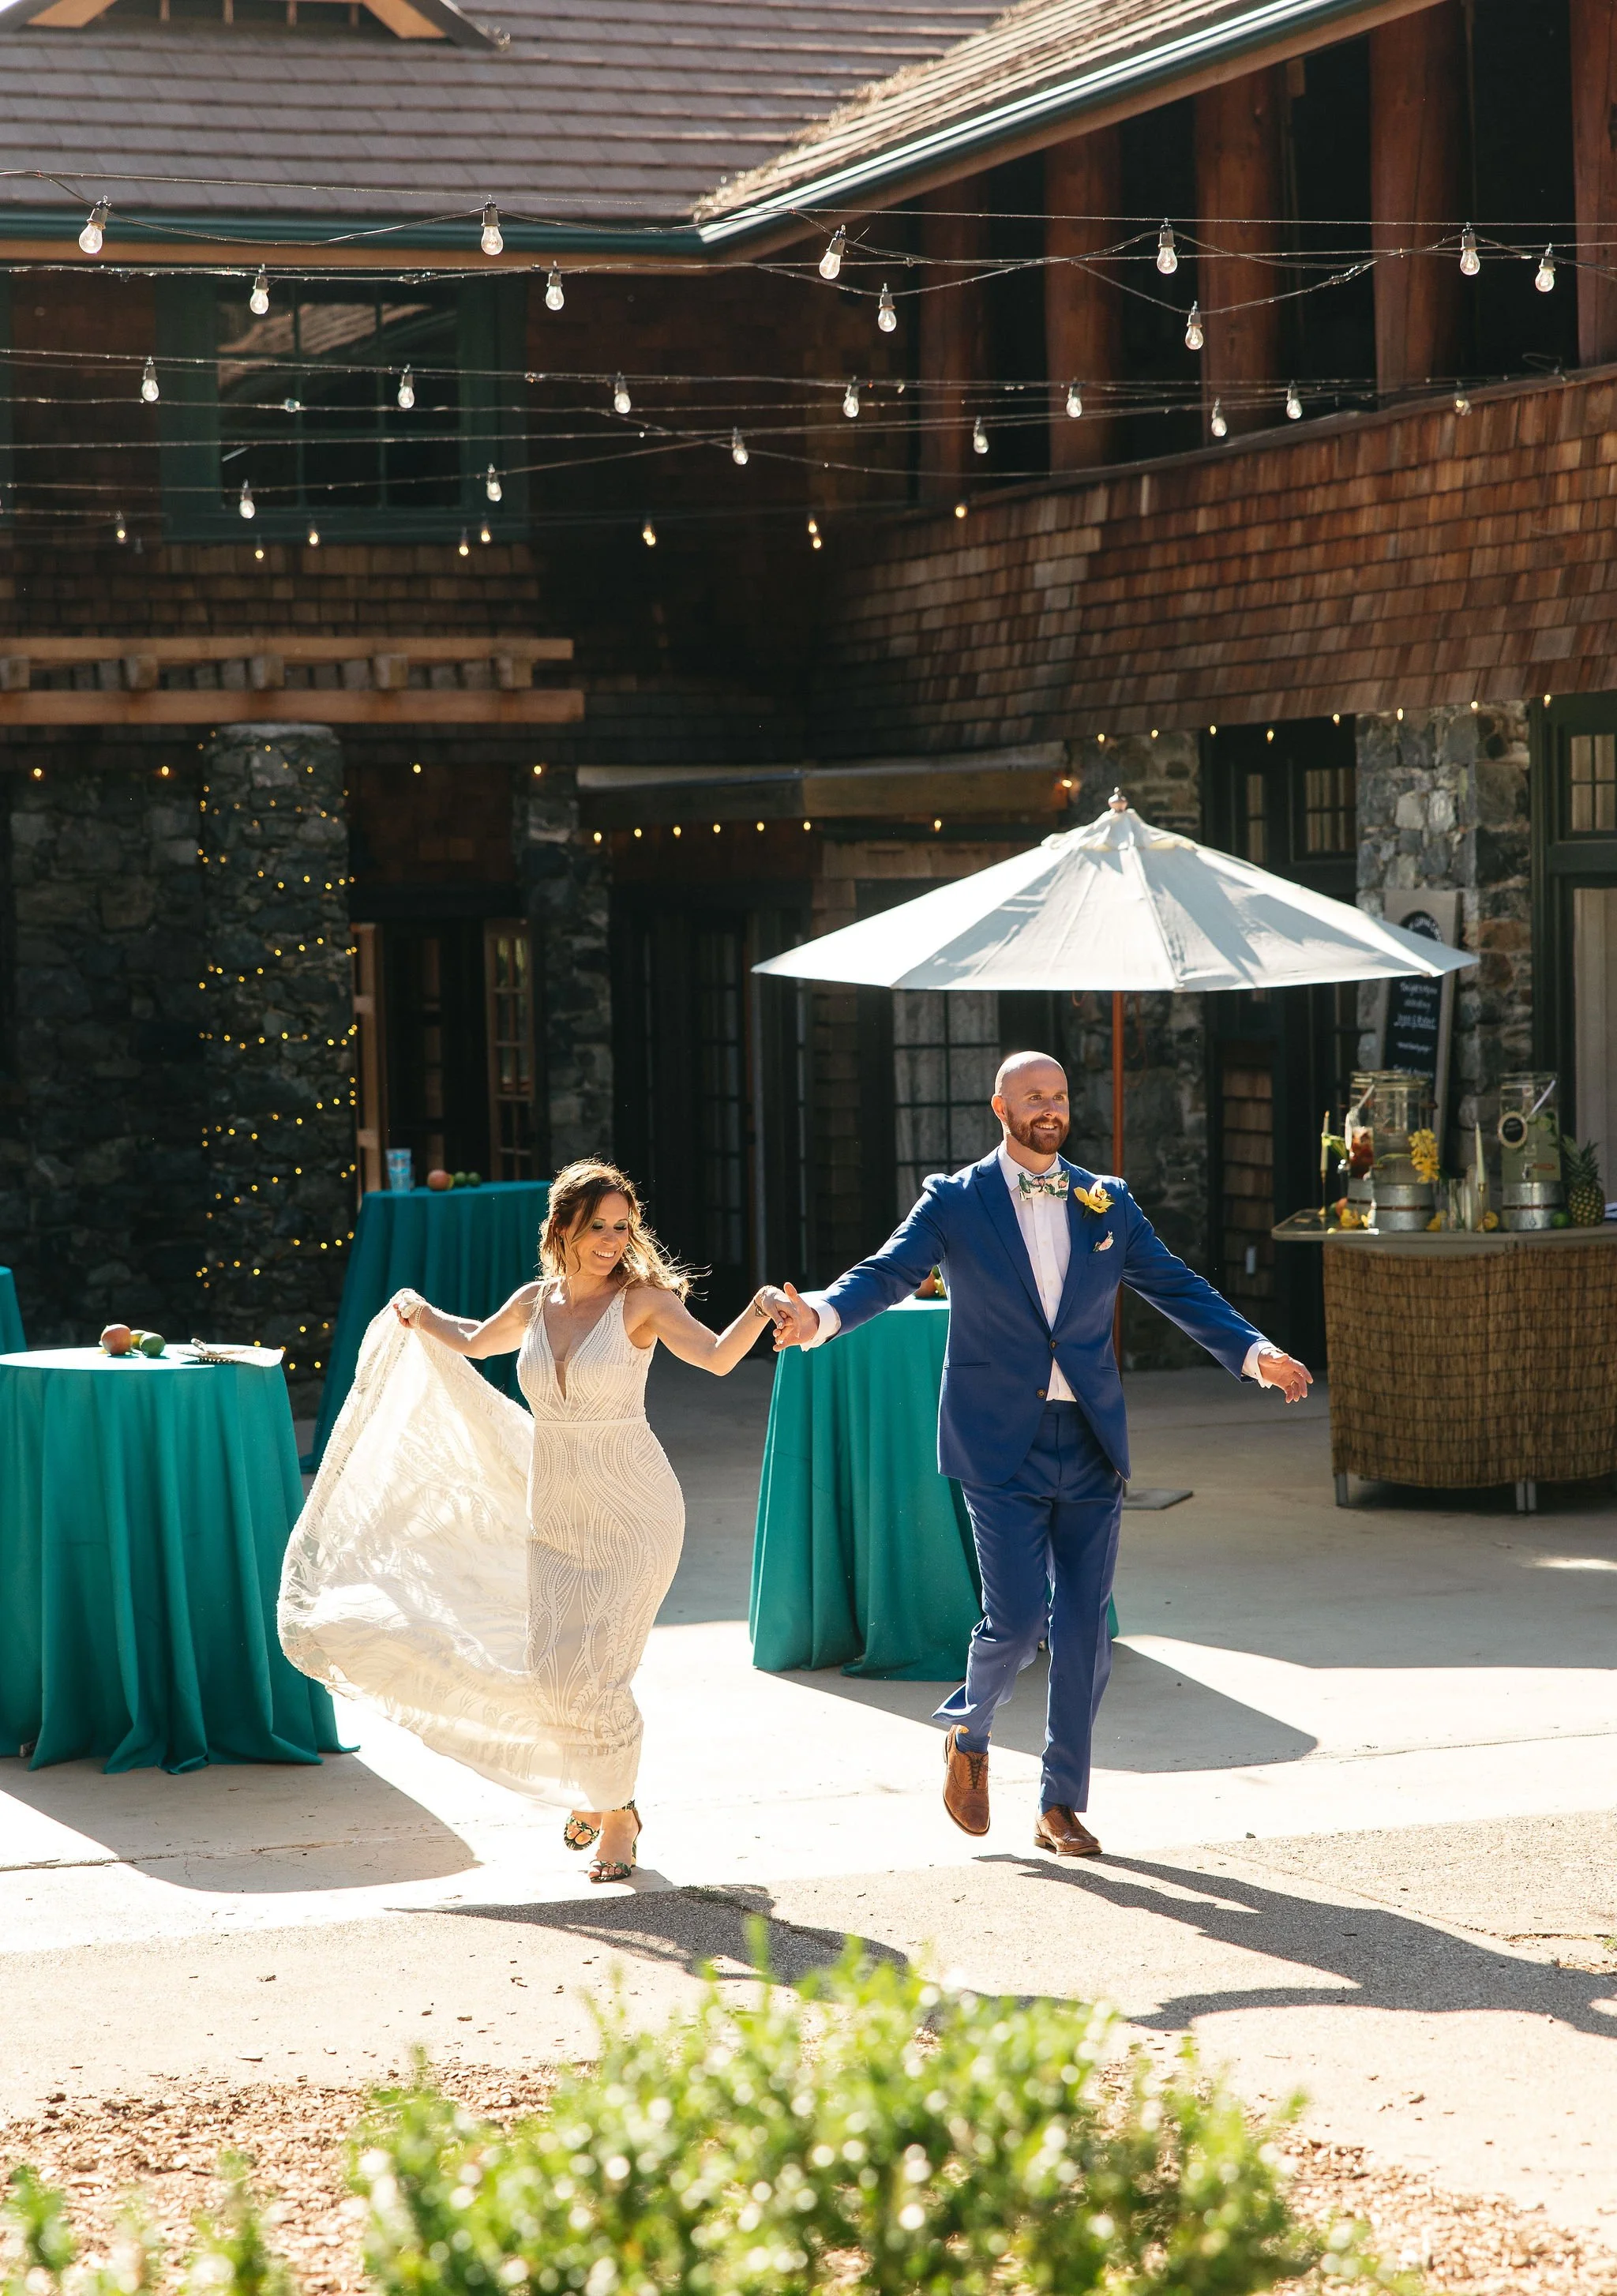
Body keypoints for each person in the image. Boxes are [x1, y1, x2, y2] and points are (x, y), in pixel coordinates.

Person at [769, 1052, 1311, 1858]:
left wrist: (1251, 1350)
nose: (1048, 1109)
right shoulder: (953, 1200)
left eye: (1057, 1096)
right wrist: (816, 1316)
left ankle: (1059, 1803)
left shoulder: (1106, 1200)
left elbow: (1178, 1286)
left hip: (1088, 1437)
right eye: (1032, 1097)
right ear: (1000, 1105)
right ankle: (970, 1729)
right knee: (1018, 1620)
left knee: (1083, 1628)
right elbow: (887, 1273)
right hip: (997, 1439)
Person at [279, 1158, 778, 1885]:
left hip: (634, 1507)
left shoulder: (642, 1301)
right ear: (564, 1227)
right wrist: (421, 1314)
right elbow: (478, 1340)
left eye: (622, 1228)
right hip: (557, 1513)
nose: (611, 1241)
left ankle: (616, 1820)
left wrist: (759, 1308)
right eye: (598, 1226)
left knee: (599, 1671)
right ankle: (603, 1789)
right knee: (553, 1670)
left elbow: (715, 1357)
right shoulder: (535, 1302)